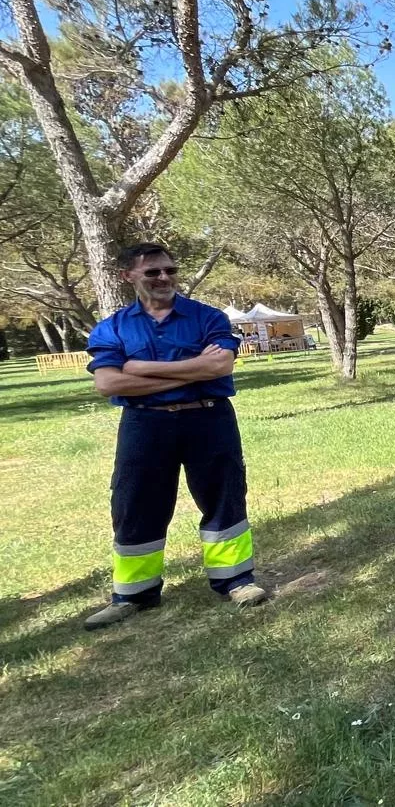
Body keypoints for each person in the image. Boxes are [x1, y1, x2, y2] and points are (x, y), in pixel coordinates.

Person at [81, 243, 269, 631]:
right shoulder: (113, 327)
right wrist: (193, 368)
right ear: (128, 276)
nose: (164, 278)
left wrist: (141, 369)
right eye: (152, 272)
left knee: (223, 496)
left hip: (208, 419)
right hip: (144, 424)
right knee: (135, 503)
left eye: (170, 270)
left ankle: (235, 580)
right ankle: (133, 594)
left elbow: (219, 365)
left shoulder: (206, 317)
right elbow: (108, 382)